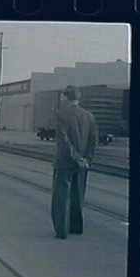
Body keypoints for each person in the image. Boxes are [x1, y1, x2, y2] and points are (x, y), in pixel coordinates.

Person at [51, 86, 98, 239]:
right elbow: (93, 140)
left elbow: (63, 140)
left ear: (65, 97)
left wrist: (76, 157)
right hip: (83, 164)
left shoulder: (61, 115)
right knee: (78, 195)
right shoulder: (89, 116)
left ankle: (61, 230)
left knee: (61, 197)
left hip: (65, 162)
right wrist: (86, 159)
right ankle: (76, 227)